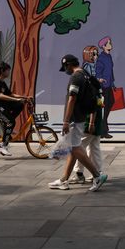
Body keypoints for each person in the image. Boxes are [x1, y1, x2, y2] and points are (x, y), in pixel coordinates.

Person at [48, 54, 108, 192]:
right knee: (73, 149)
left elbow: (72, 99)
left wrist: (66, 121)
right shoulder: (86, 74)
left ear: (68, 64)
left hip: (75, 118)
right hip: (81, 116)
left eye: (65, 68)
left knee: (76, 148)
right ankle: (64, 180)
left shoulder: (76, 77)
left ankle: (97, 176)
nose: (66, 71)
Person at [0, 62, 31, 157]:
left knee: (19, 105)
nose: (9, 72)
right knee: (11, 122)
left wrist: (24, 98)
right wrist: (17, 99)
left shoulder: (2, 82)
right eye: (7, 70)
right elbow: (1, 96)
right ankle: (2, 145)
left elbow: (11, 94)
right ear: (2, 71)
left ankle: (7, 125)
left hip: (0, 105)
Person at [71, 45, 103, 184]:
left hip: (91, 118)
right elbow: (98, 104)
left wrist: (90, 122)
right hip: (97, 118)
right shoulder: (95, 84)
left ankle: (79, 173)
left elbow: (93, 106)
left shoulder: (88, 83)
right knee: (94, 145)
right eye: (93, 54)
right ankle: (98, 170)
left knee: (80, 146)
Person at [95, 36, 115, 139]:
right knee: (103, 108)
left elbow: (110, 71)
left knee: (110, 103)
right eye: (108, 43)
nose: (110, 44)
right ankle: (103, 131)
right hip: (102, 87)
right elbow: (98, 70)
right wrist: (99, 78)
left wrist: (113, 83)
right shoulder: (101, 58)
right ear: (103, 46)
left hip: (109, 86)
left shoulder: (109, 56)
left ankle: (102, 128)